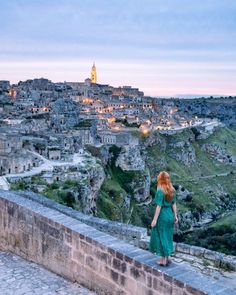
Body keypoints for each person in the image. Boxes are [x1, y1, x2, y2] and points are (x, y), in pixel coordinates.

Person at [149, 171, 178, 266]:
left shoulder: (160, 190)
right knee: (168, 236)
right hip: (170, 215)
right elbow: (174, 204)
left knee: (161, 237)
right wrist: (175, 216)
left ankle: (163, 260)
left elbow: (159, 206)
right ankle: (168, 256)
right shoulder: (172, 189)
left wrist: (154, 220)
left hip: (162, 216)